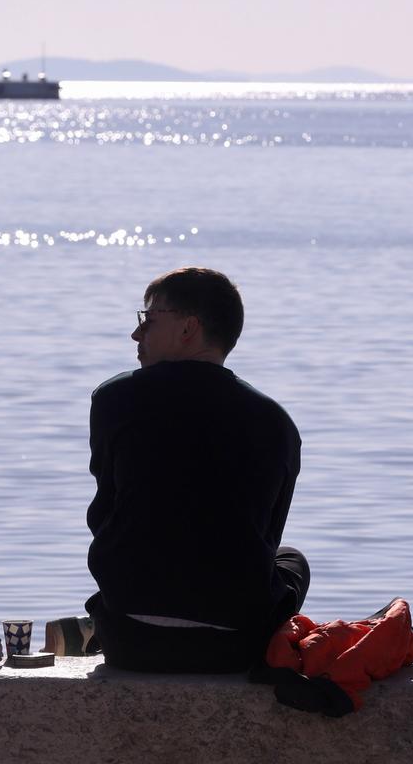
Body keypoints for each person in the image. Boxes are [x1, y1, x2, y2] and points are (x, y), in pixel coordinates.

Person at [85, 267, 308, 672]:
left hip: (128, 637)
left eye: (147, 320)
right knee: (291, 560)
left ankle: (86, 630)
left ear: (189, 328)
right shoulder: (276, 422)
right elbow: (266, 537)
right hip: (235, 646)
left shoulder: (114, 399)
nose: (137, 335)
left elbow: (105, 514)